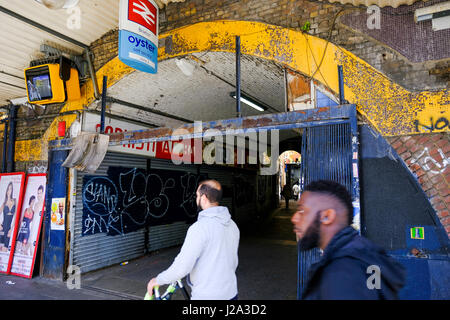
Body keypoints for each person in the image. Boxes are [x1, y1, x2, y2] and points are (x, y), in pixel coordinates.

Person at [291, 180, 405, 300]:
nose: (294, 218)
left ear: (327, 217)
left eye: (302, 210)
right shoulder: (361, 254)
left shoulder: (342, 274)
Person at [147, 179, 240, 300]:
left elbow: (182, 267)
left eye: (197, 195)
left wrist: (158, 280)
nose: (196, 199)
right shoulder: (232, 225)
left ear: (204, 197)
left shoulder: (199, 228)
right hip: (231, 294)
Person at [0, 182, 17, 252]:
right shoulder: (4, 204)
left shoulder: (15, 201)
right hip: (2, 228)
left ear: (12, 190)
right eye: (8, 189)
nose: (9, 191)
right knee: (1, 249)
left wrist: (11, 229)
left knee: (6, 249)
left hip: (9, 228)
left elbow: (16, 216)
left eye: (10, 189)